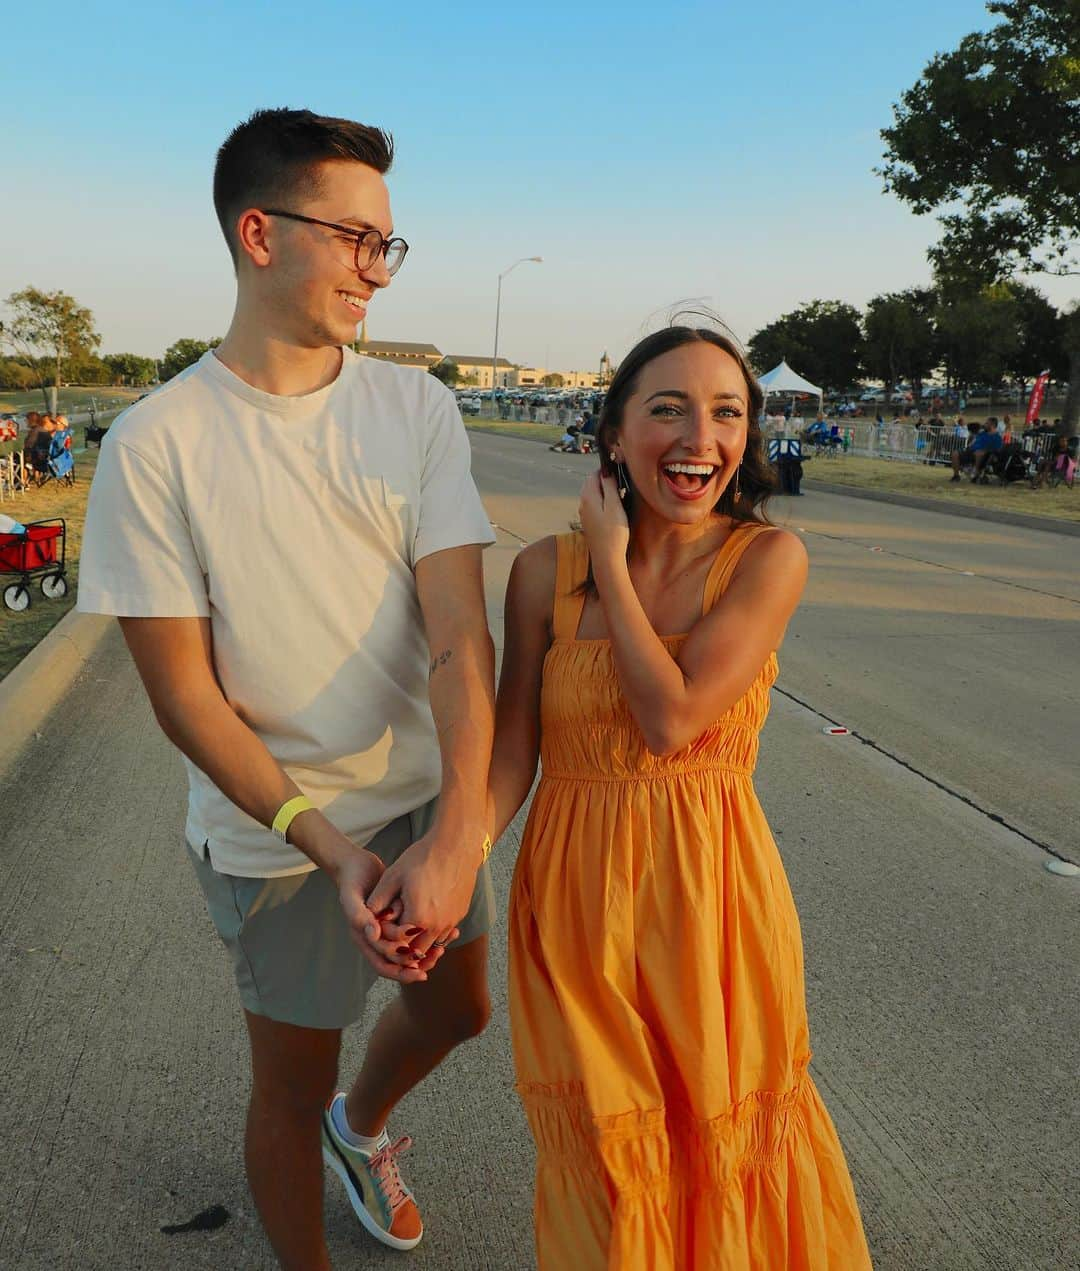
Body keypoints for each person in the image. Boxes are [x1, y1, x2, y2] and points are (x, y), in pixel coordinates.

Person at [77, 108, 496, 1270]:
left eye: (389, 245)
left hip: (424, 800)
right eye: (356, 238)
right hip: (279, 834)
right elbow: (185, 698)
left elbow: (461, 636)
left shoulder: (415, 408)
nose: (379, 269)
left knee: (463, 1011)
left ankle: (361, 1131)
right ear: (260, 233)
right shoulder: (157, 440)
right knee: (287, 1078)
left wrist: (458, 828)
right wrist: (331, 848)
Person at [487, 326, 872, 1269]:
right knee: (612, 1167)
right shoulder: (540, 570)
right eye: (667, 408)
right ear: (614, 433)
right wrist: (445, 869)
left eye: (727, 411)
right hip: (574, 917)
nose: (700, 435)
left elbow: (671, 722)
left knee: (722, 1151)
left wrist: (612, 565)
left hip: (713, 914)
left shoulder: (767, 560)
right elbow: (510, 754)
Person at [949, 417, 1002, 482]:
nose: (985, 424)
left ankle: (975, 474)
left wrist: (986, 451)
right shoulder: (982, 433)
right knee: (955, 453)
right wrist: (969, 445)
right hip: (971, 451)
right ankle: (956, 476)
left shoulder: (997, 437)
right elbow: (974, 438)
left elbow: (997, 449)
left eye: (987, 423)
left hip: (983, 455)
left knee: (978, 453)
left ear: (993, 425)